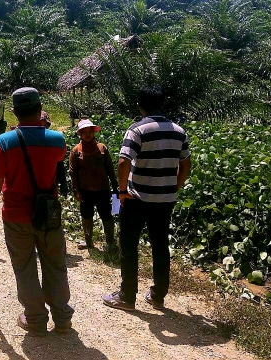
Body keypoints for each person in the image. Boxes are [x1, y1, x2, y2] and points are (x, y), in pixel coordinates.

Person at [0, 87, 74, 336]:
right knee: (55, 264)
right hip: (48, 215)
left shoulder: (3, 142)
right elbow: (54, 165)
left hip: (16, 216)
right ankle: (62, 318)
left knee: (24, 267)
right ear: (40, 108)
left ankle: (35, 319)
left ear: (13, 112)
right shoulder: (57, 140)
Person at [102, 85, 191, 311]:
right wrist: (174, 187)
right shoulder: (179, 131)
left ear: (140, 104)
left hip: (137, 198)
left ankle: (127, 296)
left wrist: (122, 192)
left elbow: (123, 162)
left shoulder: (137, 130)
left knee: (129, 245)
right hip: (165, 200)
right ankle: (158, 295)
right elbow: (186, 165)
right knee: (160, 245)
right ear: (162, 103)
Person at [68, 118, 118, 252]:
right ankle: (89, 242)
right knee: (86, 215)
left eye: (90, 131)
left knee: (106, 215)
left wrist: (115, 186)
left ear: (93, 133)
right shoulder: (76, 151)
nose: (88, 134)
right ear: (80, 134)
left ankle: (110, 242)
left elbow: (110, 168)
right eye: (84, 132)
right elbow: (73, 173)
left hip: (102, 189)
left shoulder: (102, 148)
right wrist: (76, 190)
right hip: (85, 190)